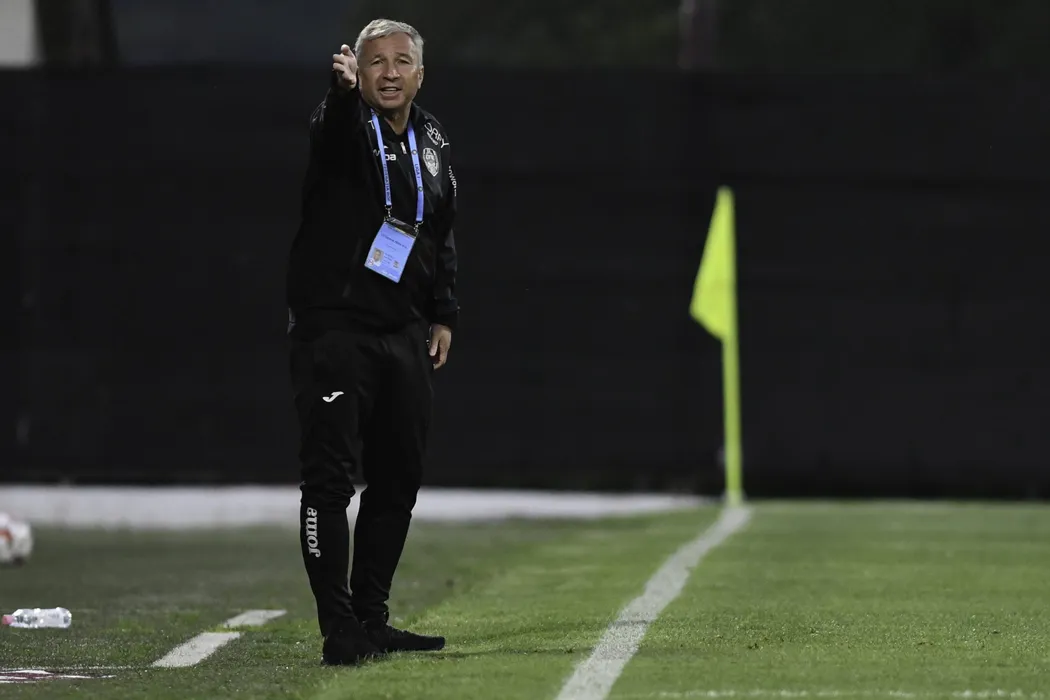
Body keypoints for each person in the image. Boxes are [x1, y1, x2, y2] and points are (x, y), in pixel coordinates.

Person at [285, 18, 459, 666]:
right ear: (357, 71)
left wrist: (444, 313)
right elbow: (329, 132)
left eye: (401, 61)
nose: (388, 72)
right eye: (375, 62)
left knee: (398, 478)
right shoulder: (343, 124)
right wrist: (339, 95)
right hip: (335, 329)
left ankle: (371, 618)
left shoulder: (432, 138)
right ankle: (339, 629)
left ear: (420, 73)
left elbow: (440, 230)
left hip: (404, 331)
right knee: (329, 479)